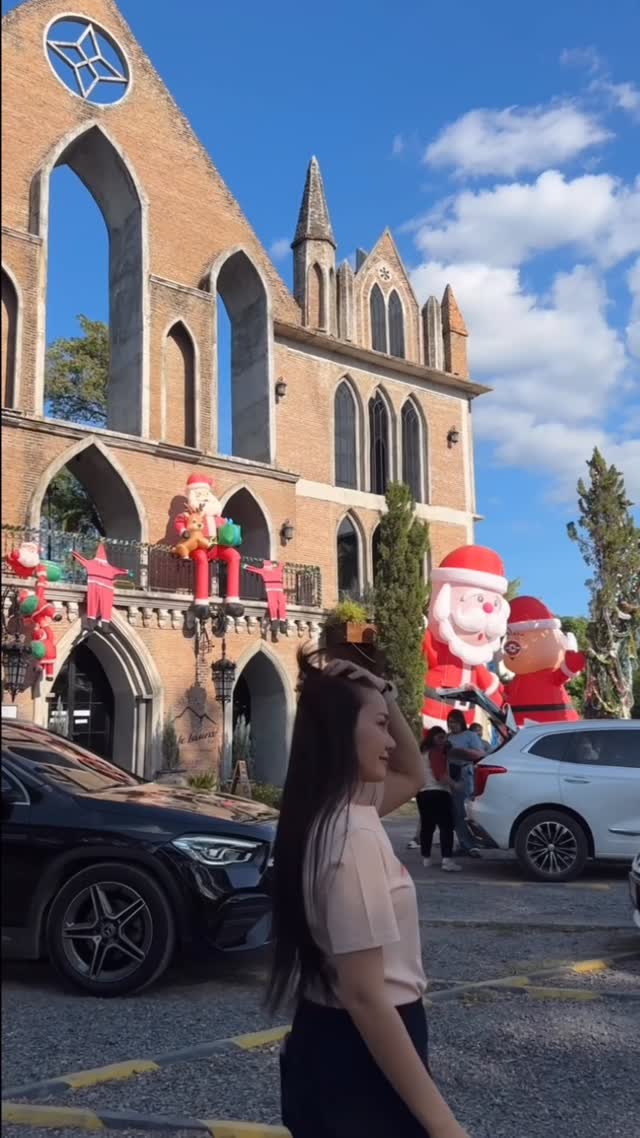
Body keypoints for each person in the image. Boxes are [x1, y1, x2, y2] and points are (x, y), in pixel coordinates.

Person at [268, 650, 471, 1138]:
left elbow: (412, 774)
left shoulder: (334, 812)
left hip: (327, 1035)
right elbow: (365, 996)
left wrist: (384, 696)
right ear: (341, 733)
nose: (391, 741)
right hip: (362, 1052)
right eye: (380, 726)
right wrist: (445, 1125)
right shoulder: (351, 834)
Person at [416, 728, 460, 872]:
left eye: (445, 738)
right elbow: (440, 775)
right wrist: (455, 785)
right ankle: (447, 860)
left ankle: (426, 858)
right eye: (440, 737)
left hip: (423, 793)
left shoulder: (422, 753)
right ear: (433, 738)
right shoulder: (435, 752)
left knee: (427, 826)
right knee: (446, 826)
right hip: (439, 792)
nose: (444, 740)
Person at [446, 710, 486, 858]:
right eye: (450, 722)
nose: (452, 725)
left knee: (465, 811)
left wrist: (461, 751)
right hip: (450, 775)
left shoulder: (470, 735)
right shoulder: (448, 737)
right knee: (454, 812)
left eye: (455, 722)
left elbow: (480, 754)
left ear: (461, 722)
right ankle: (464, 843)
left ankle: (473, 844)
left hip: (464, 773)